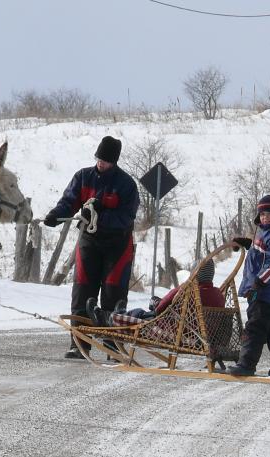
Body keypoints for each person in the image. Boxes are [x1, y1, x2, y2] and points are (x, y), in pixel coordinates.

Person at [44, 135, 140, 359]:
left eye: (105, 161)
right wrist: (56, 216)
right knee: (82, 291)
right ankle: (79, 344)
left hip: (117, 245)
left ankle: (113, 345)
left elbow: (127, 216)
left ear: (114, 162)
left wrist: (101, 214)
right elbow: (69, 201)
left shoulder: (126, 184)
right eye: (98, 159)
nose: (100, 163)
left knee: (113, 294)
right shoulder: (83, 177)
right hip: (89, 241)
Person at [227, 195, 270, 378]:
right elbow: (261, 252)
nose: (266, 218)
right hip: (262, 289)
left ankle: (246, 364)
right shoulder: (263, 231)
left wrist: (259, 282)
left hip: (267, 291)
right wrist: (247, 244)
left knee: (254, 327)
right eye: (263, 214)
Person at [86, 258, 224, 327]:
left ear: (194, 275)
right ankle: (120, 313)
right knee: (148, 311)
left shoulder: (186, 290)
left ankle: (106, 318)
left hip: (176, 329)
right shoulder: (218, 295)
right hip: (201, 333)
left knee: (141, 313)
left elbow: (160, 309)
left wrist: (157, 304)